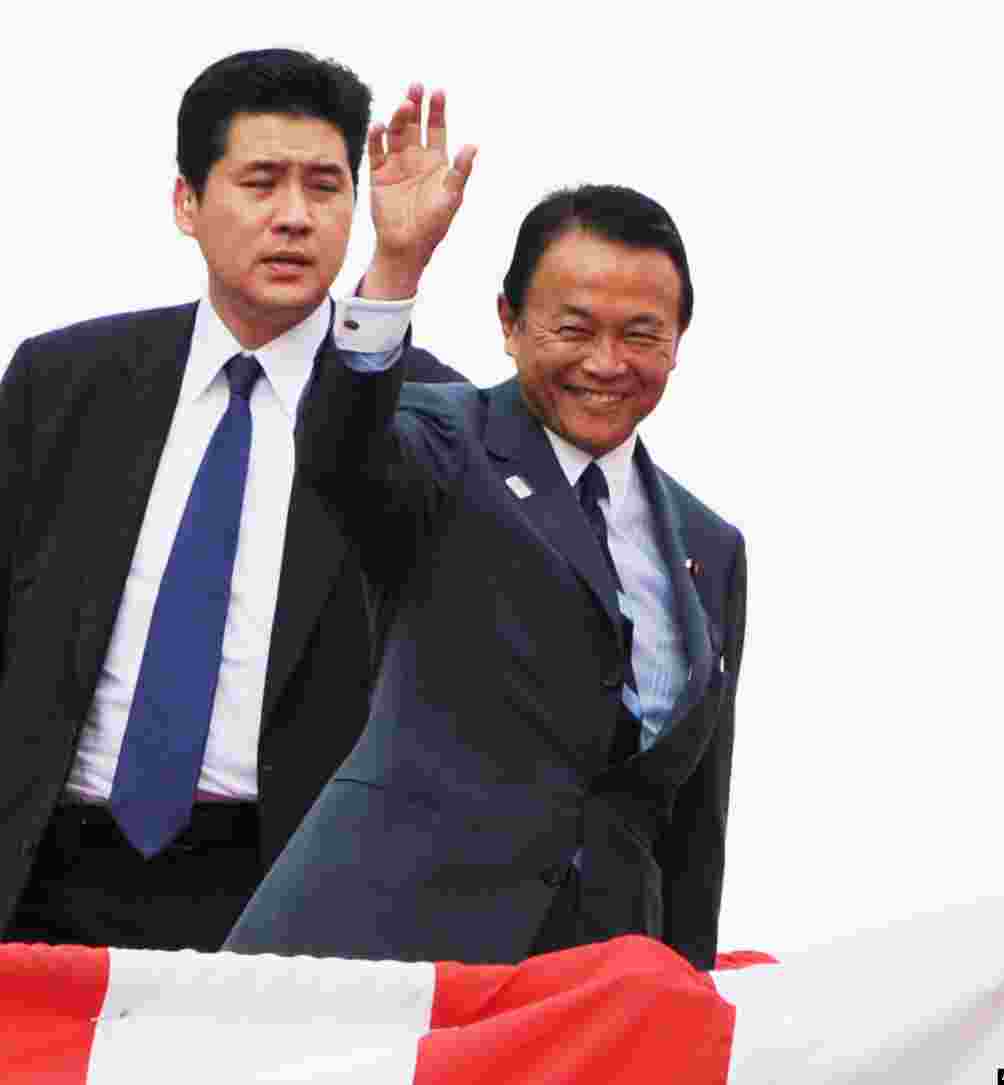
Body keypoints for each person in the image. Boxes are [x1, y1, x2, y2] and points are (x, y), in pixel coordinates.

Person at [0, 47, 475, 950]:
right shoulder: (60, 383)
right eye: (260, 182)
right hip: (42, 869)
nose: (293, 217)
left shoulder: (425, 410)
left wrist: (397, 271)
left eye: (325, 187)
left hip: (284, 889)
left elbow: (385, 504)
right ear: (187, 203)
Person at [225, 184, 746, 970]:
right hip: (382, 953)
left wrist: (687, 989)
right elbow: (340, 450)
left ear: (677, 341)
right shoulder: (443, 442)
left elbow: (691, 823)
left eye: (642, 334)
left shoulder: (711, 544)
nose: (607, 363)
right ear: (509, 322)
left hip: (589, 982)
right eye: (575, 328)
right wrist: (396, 266)